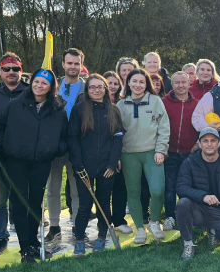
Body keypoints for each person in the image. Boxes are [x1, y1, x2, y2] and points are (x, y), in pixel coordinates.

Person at [0, 68, 68, 263]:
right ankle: (24, 247)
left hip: (41, 163)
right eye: (36, 81)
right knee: (19, 203)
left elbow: (64, 136)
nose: (39, 86)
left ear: (51, 87)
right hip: (16, 162)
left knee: (36, 203)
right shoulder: (15, 105)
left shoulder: (57, 110)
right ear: (31, 82)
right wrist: (6, 148)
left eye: (44, 83)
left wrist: (54, 149)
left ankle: (33, 242)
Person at [67, 74, 124, 255]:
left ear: (105, 89)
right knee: (84, 205)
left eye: (100, 87)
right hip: (84, 167)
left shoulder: (113, 110)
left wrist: (112, 164)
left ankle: (101, 236)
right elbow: (73, 138)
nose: (96, 90)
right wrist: (78, 164)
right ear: (87, 90)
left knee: (104, 203)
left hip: (107, 168)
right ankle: (79, 239)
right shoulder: (79, 109)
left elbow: (118, 139)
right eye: (92, 87)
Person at [117, 68, 170, 243]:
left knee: (157, 190)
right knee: (133, 192)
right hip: (129, 154)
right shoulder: (121, 105)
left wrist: (161, 150)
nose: (138, 85)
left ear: (146, 83)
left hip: (152, 152)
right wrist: (116, 156)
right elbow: (116, 133)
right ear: (128, 83)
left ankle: (154, 223)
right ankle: (140, 228)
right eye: (134, 81)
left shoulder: (155, 101)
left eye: (141, 81)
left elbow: (164, 127)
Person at [175, 128, 220, 261]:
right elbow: (181, 187)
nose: (209, 144)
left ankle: (213, 230)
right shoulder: (189, 162)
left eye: (213, 141)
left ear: (219, 143)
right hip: (198, 209)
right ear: (200, 144)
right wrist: (203, 196)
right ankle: (188, 244)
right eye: (205, 141)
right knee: (182, 203)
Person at [0, 53, 28, 255]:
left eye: (15, 69)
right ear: (0, 71)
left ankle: (28, 238)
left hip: (24, 158)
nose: (11, 72)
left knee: (24, 200)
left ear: (21, 70)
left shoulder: (30, 91)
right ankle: (0, 239)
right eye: (7, 69)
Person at [44, 48, 84, 242]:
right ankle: (54, 226)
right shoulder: (52, 86)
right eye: (69, 63)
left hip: (78, 144)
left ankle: (77, 225)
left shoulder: (88, 88)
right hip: (55, 144)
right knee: (53, 188)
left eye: (76, 63)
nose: (73, 67)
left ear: (81, 65)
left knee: (77, 188)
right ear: (63, 64)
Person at [161, 71, 199, 231]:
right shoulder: (163, 102)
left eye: (184, 82)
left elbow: (203, 126)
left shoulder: (197, 104)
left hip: (189, 153)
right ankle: (170, 216)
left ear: (189, 83)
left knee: (187, 186)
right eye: (177, 82)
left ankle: (186, 215)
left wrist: (198, 143)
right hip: (169, 152)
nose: (180, 85)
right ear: (172, 84)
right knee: (169, 186)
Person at [103, 71, 132, 235]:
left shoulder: (122, 104)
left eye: (115, 83)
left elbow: (122, 131)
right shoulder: (96, 103)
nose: (112, 86)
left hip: (120, 151)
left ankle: (119, 220)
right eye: (109, 83)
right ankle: (105, 222)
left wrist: (118, 156)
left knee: (120, 188)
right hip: (102, 153)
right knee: (104, 190)